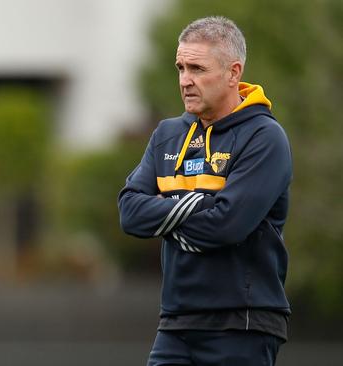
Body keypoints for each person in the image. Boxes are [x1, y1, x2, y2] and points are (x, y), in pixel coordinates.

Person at [118, 16, 292, 365]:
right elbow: (130, 213)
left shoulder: (264, 137)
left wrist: (167, 212)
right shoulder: (167, 135)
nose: (185, 80)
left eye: (197, 68)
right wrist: (204, 205)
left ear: (233, 72)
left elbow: (227, 226)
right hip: (175, 322)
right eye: (181, 68)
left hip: (242, 323)